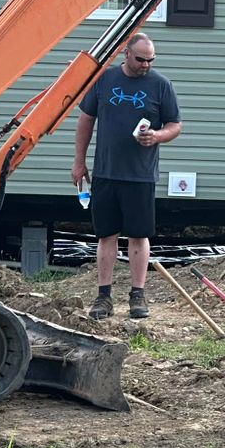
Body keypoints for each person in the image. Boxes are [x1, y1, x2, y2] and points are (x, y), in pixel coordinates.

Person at [71, 32, 182, 320]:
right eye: (141, 59)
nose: (146, 65)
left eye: (150, 60)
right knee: (106, 234)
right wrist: (79, 162)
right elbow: (85, 119)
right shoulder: (105, 80)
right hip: (106, 172)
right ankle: (103, 297)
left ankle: (137, 295)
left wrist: (157, 136)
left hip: (140, 175)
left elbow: (175, 124)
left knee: (139, 235)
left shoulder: (161, 85)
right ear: (126, 54)